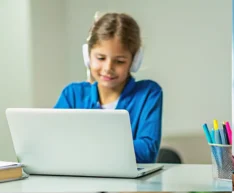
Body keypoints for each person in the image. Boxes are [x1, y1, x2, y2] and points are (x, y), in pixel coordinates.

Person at [54, 13, 163, 164]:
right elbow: (53, 143)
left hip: (129, 187)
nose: (108, 68)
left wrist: (84, 147)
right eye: (100, 58)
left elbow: (146, 151)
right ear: (87, 56)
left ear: (134, 61)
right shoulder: (72, 95)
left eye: (119, 61)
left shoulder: (148, 94)